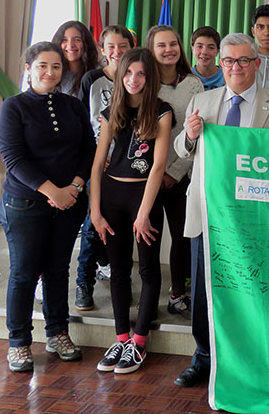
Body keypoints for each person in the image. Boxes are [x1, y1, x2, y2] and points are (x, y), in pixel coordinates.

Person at [173, 33, 269, 388]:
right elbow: (182, 151)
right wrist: (190, 135)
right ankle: (204, 358)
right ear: (221, 64)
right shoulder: (202, 100)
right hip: (209, 212)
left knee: (255, 291)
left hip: (258, 218)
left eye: (243, 60)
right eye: (229, 61)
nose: (236, 67)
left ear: (257, 63)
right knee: (204, 292)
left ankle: (254, 360)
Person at [0, 41, 95, 372]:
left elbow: (89, 150)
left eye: (55, 66)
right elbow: (13, 158)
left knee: (57, 269)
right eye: (42, 65)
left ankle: (57, 333)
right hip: (25, 204)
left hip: (69, 202)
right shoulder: (14, 107)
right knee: (24, 272)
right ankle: (19, 342)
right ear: (28, 69)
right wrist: (53, 191)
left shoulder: (73, 105)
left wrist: (75, 187)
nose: (49, 72)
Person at [90, 48, 173, 374]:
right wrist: (95, 211)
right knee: (119, 269)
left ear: (150, 78)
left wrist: (143, 212)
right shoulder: (112, 110)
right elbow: (98, 163)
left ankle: (139, 341)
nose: (133, 79)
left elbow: (158, 166)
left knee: (149, 270)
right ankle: (121, 337)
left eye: (140, 74)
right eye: (127, 73)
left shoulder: (162, 111)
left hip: (144, 197)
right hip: (112, 197)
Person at [75, 25, 136, 311]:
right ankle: (83, 282)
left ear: (131, 48)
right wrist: (93, 157)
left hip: (125, 165)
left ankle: (118, 277)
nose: (117, 51)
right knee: (92, 223)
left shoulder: (135, 77)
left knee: (120, 226)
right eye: (111, 46)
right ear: (102, 50)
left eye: (122, 46)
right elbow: (81, 121)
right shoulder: (92, 79)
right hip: (97, 162)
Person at [146, 25, 205, 319]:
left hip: (182, 174)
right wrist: (156, 172)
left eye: (173, 44)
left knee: (182, 237)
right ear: (151, 49)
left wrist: (175, 171)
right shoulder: (143, 81)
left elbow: (199, 131)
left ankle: (177, 294)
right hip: (146, 175)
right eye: (161, 45)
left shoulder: (193, 84)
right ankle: (147, 302)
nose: (168, 50)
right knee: (149, 239)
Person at [21, 21, 101, 98]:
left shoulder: (97, 73)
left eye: (77, 40)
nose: (70, 45)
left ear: (86, 43)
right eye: (64, 40)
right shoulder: (50, 74)